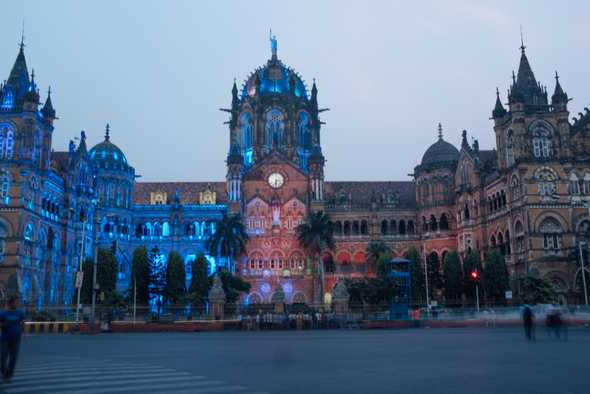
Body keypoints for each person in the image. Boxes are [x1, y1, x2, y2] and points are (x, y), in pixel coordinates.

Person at [0, 296, 25, 382]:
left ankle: (8, 375)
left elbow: (22, 323)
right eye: (16, 302)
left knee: (13, 359)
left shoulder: (20, 313)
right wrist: (4, 324)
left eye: (18, 302)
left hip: (16, 339)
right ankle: (4, 372)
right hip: (5, 339)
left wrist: (22, 332)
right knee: (3, 358)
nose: (17, 303)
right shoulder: (3, 313)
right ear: (10, 303)